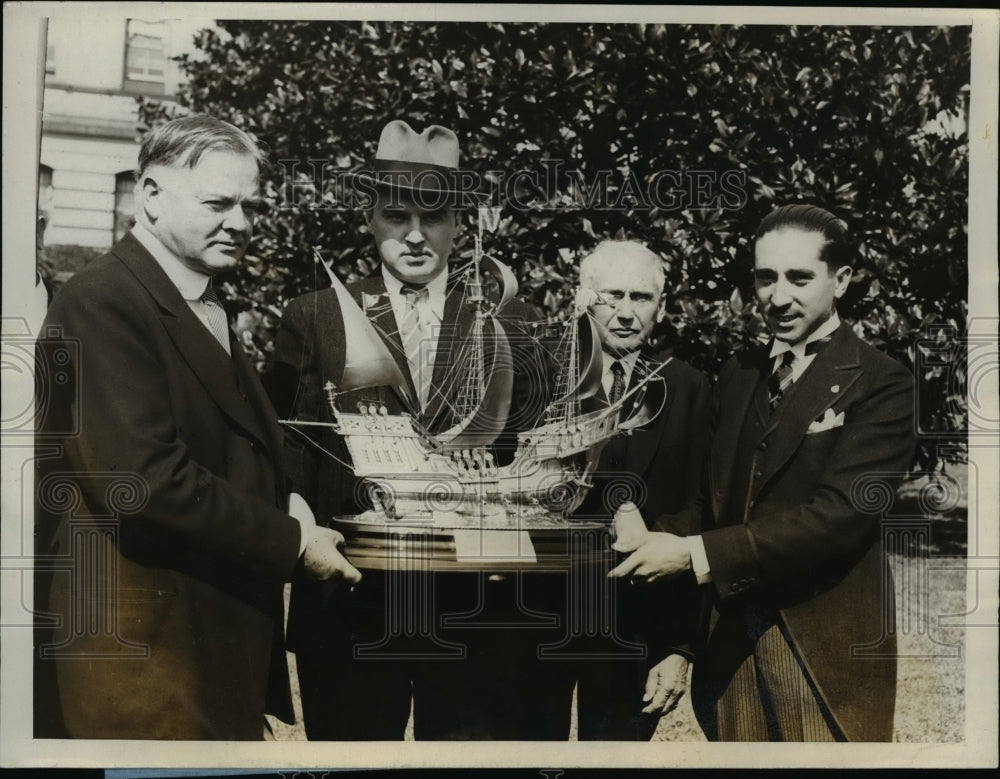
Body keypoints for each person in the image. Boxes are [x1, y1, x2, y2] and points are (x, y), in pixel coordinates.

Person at [33, 115, 360, 740]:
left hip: (195, 664)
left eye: (248, 205)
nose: (239, 222)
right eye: (218, 202)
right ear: (150, 195)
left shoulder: (188, 295)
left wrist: (283, 493)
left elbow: (226, 447)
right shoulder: (103, 302)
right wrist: (293, 540)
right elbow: (143, 479)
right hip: (143, 671)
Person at [267, 119, 556, 739]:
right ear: (371, 219)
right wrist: (303, 536)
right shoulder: (317, 317)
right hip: (351, 602)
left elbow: (537, 456)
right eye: (398, 217)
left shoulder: (512, 318)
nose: (417, 236)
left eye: (436, 217)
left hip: (476, 609)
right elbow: (285, 449)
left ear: (460, 225)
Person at [609, 205, 916, 741]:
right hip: (729, 654)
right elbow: (713, 500)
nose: (778, 297)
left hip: (823, 656)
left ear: (840, 280)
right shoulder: (737, 374)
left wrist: (691, 554)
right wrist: (651, 532)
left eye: (799, 278)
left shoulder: (884, 383)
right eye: (765, 277)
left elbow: (839, 517)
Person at [553, 240, 711, 740]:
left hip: (638, 627)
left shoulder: (689, 389)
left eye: (641, 298)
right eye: (611, 296)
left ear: (661, 307)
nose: (625, 313)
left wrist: (679, 647)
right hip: (537, 621)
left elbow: (703, 509)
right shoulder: (541, 377)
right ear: (583, 298)